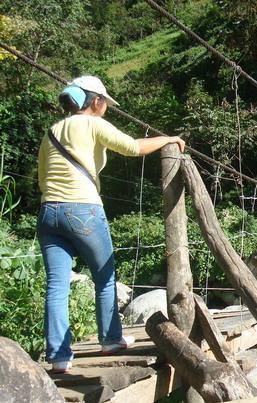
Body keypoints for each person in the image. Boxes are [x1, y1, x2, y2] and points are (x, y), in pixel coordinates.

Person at [38, 75, 186, 374]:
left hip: (48, 213)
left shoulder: (52, 131)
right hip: (83, 209)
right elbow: (132, 147)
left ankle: (58, 356)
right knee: (104, 277)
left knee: (57, 285)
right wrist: (168, 140)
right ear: (96, 101)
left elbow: (42, 175)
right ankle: (111, 339)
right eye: (105, 103)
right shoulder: (92, 123)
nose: (106, 108)